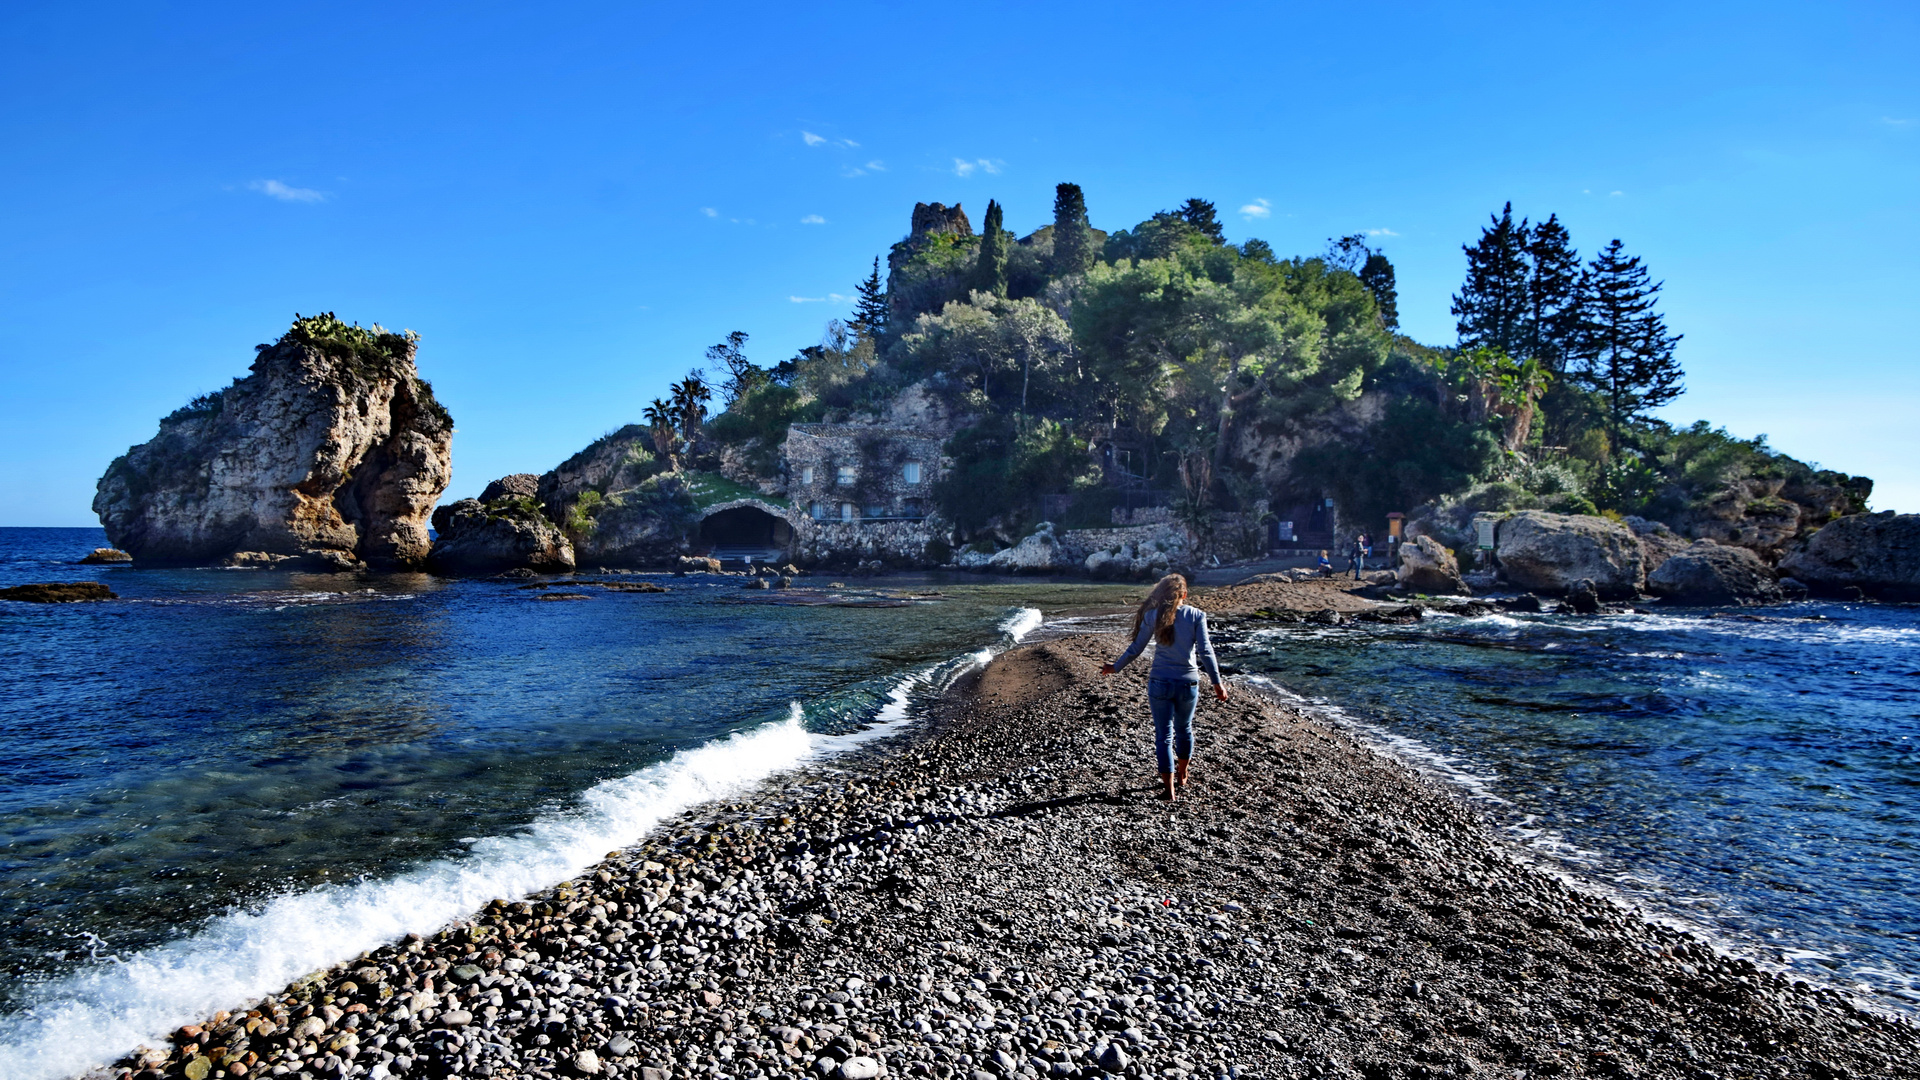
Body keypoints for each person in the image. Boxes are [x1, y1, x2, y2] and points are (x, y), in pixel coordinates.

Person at [1099, 573, 1227, 801]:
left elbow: (1136, 648)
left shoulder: (1151, 616)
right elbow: (1206, 652)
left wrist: (1115, 667)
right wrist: (1217, 683)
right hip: (1188, 683)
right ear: (1184, 595)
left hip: (1159, 683)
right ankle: (1183, 772)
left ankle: (1169, 791)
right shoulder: (1197, 615)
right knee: (1184, 729)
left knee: (1163, 736)